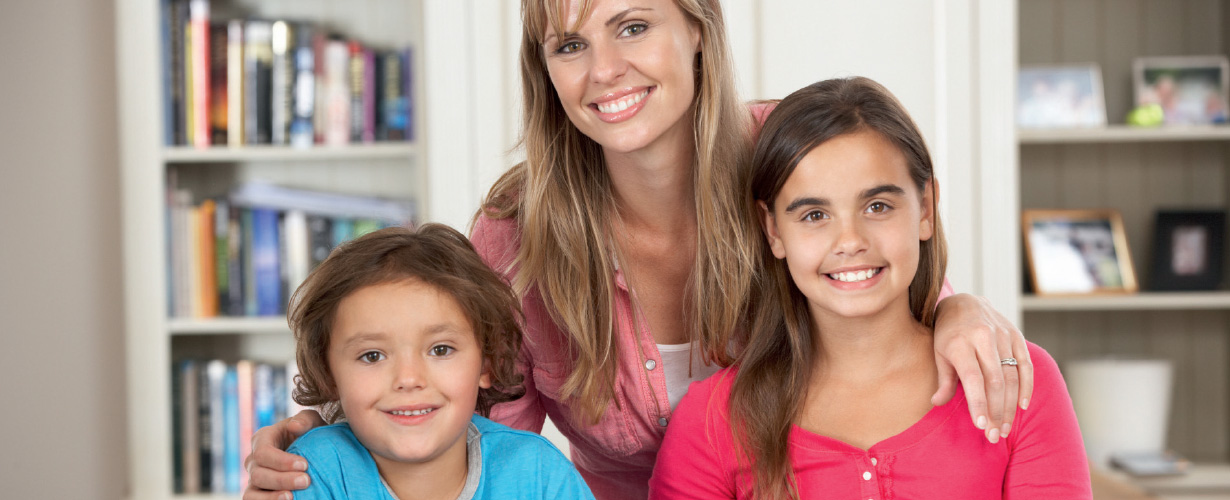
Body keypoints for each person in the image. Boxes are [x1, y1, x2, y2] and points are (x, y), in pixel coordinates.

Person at [244, 1, 1035, 499]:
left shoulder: (793, 157)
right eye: (568, 45)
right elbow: (469, 432)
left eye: (631, 26)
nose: (604, 71)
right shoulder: (517, 236)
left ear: (696, 25)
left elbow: (881, 285)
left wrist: (958, 308)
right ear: (544, 71)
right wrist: (326, 435)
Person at [648, 77, 1090, 499]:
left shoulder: (1016, 379)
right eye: (814, 215)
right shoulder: (711, 422)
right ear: (774, 231)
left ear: (925, 209)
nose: (851, 242)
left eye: (877, 206)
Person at [282, 224, 594, 499]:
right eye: (372, 356)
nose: (409, 378)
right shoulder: (311, 474)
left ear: (487, 363)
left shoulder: (538, 474)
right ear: (329, 374)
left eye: (440, 350)